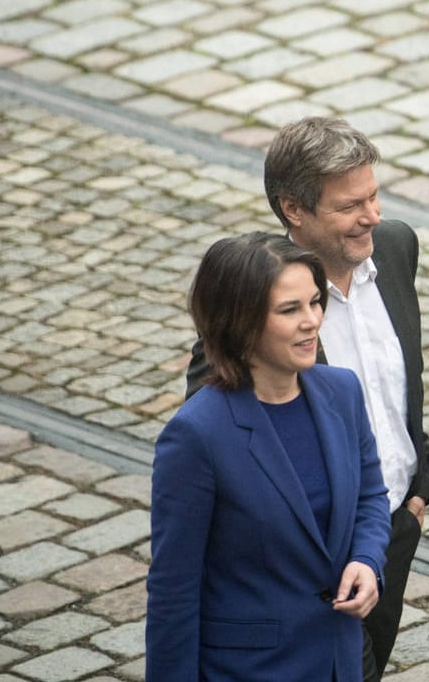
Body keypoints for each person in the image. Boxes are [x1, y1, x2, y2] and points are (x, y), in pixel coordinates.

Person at [183, 117, 429, 682]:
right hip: (314, 557)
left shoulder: (394, 247)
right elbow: (221, 444)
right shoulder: (257, 306)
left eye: (373, 196)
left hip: (392, 530)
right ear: (295, 210)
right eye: (350, 206)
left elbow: (401, 379)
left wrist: (418, 492)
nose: (372, 216)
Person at [150, 233, 389, 682]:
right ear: (239, 323)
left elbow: (371, 496)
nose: (312, 321)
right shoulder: (196, 435)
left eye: (315, 302)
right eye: (289, 310)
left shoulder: (342, 392)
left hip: (339, 661)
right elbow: (173, 592)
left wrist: (367, 559)